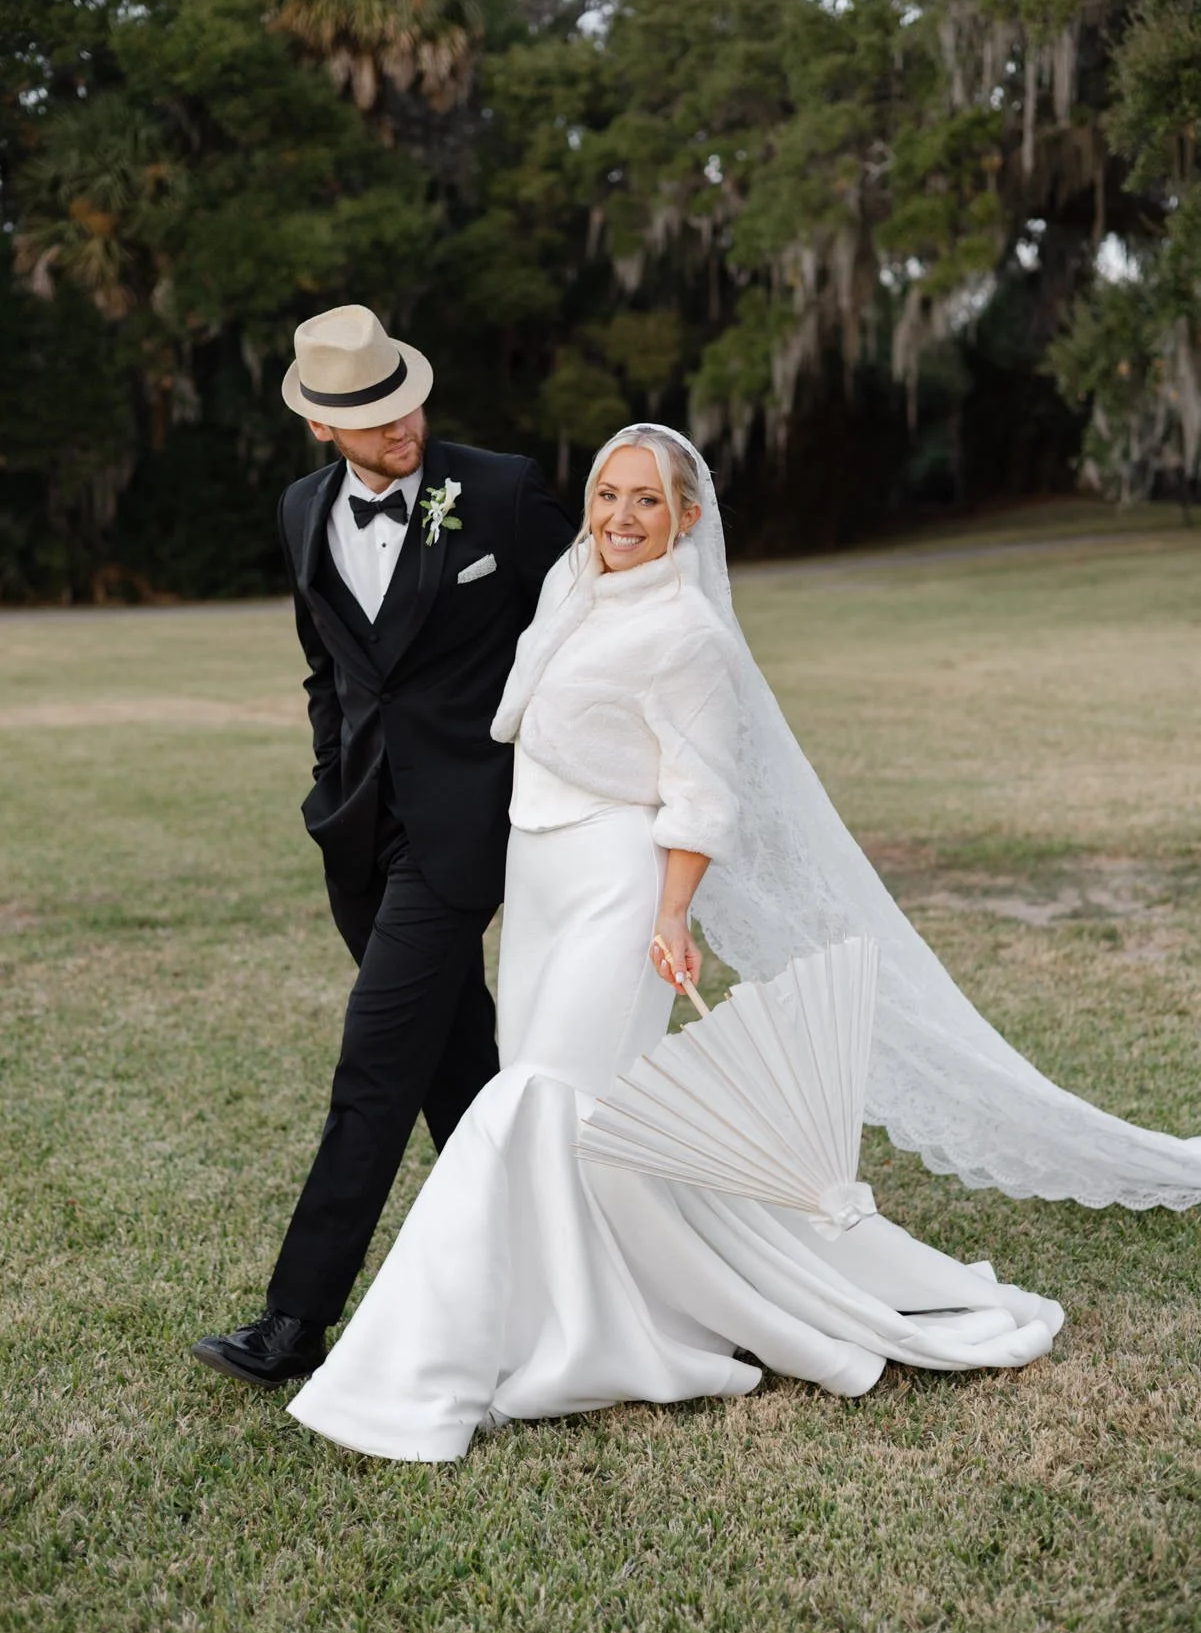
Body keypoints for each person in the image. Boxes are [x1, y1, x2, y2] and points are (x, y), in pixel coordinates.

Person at [286, 426, 1069, 1463]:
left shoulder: (688, 633)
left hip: (617, 882)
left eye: (647, 501)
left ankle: (448, 1360)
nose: (619, 517)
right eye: (607, 494)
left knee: (537, 1098)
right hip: (537, 875)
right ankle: (582, 1316)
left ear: (686, 519)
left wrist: (668, 915)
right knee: (568, 1112)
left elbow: (703, 794)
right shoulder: (567, 589)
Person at [191, 305, 573, 1387]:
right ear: (322, 428)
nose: (400, 423)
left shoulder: (498, 490)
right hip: (357, 834)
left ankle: (293, 1320)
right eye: (369, 413)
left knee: (374, 1067)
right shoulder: (300, 511)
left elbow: (586, 622)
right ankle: (557, 1269)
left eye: (403, 396)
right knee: (459, 1072)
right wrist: (329, 784)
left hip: (466, 832)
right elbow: (330, 669)